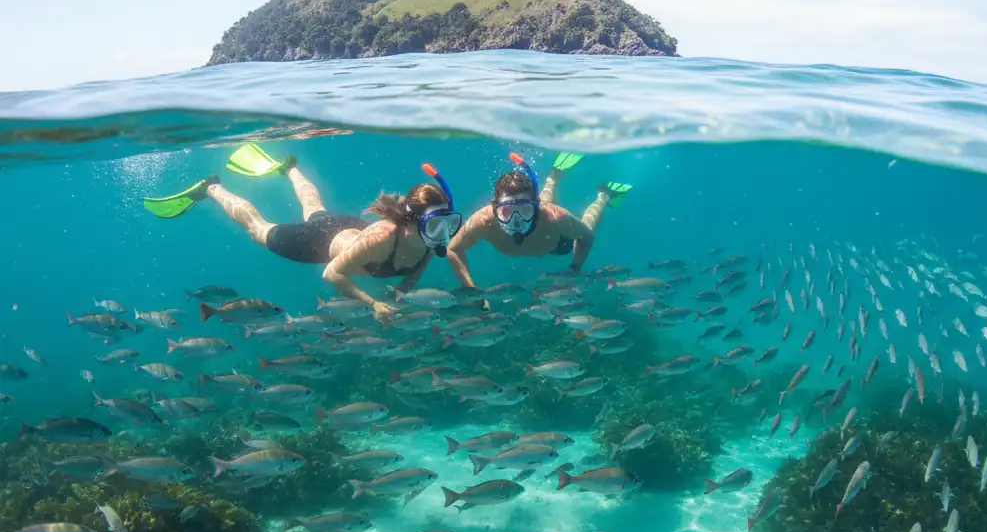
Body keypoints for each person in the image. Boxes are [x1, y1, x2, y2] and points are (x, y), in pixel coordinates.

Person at [143, 143, 461, 321]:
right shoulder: (381, 238)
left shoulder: (429, 241)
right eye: (436, 226)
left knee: (315, 209)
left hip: (345, 228)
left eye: (449, 224)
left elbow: (411, 278)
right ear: (410, 221)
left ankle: (290, 168)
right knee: (258, 228)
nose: (444, 234)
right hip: (318, 244)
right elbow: (332, 275)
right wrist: (373, 303)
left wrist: (400, 297)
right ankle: (211, 188)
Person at [446, 152, 631, 288]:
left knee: (586, 226)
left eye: (525, 210)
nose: (516, 221)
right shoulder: (483, 221)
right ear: (494, 208)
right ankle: (553, 176)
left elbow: (586, 236)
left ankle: (604, 195)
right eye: (507, 211)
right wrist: (470, 288)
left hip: (556, 242)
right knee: (543, 203)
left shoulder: (554, 217)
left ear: (535, 206)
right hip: (543, 228)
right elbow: (453, 249)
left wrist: (575, 267)